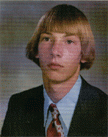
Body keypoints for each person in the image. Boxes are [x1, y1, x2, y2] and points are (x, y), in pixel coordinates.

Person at [1, 4, 107, 136]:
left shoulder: (105, 109)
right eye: (47, 39)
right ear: (36, 50)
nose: (55, 51)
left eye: (68, 41)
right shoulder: (18, 105)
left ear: (83, 53)